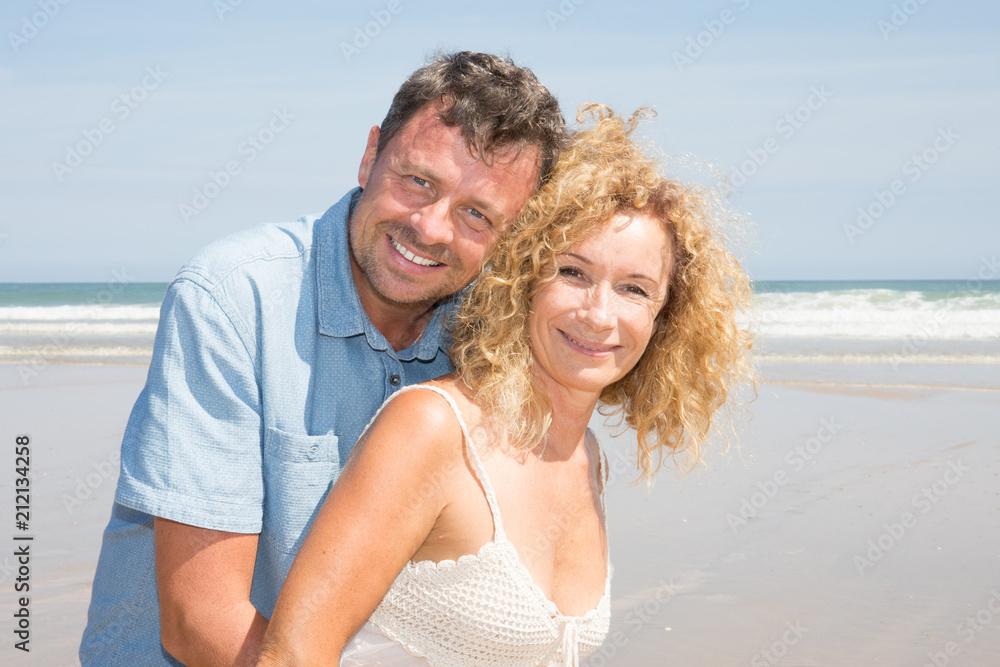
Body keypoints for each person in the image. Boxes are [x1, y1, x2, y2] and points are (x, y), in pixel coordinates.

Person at [79, 51, 565, 666]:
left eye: (478, 214)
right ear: (370, 156)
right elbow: (199, 621)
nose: (433, 228)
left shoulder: (486, 338)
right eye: (418, 181)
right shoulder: (233, 296)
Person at [255, 106, 753, 666]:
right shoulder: (433, 427)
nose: (598, 313)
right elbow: (294, 652)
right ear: (522, 279)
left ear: (666, 317)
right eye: (572, 273)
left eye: (634, 290)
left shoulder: (588, 458)